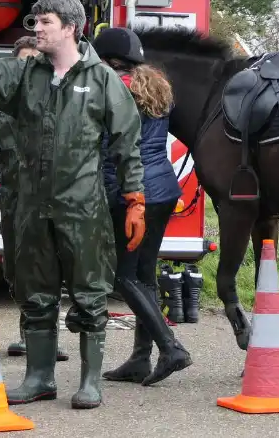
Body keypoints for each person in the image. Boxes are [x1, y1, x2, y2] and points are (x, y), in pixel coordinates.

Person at [0, 0, 145, 410]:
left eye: (45, 22)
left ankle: (91, 381)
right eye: (33, 22)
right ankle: (39, 378)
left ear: (71, 27)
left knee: (90, 293)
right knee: (35, 293)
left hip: (82, 208)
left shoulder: (101, 79)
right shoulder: (26, 75)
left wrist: (135, 199)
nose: (35, 29)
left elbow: (127, 141)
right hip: (31, 208)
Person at [91, 26, 193, 386]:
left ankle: (170, 348)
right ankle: (139, 358)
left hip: (131, 192)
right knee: (144, 274)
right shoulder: (156, 85)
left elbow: (109, 150)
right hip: (164, 189)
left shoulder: (110, 87)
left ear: (106, 58)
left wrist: (103, 194)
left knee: (124, 275)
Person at [0, 36, 69, 362]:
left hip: (51, 197)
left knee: (49, 267)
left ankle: (45, 338)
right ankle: (26, 331)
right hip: (13, 198)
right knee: (15, 270)